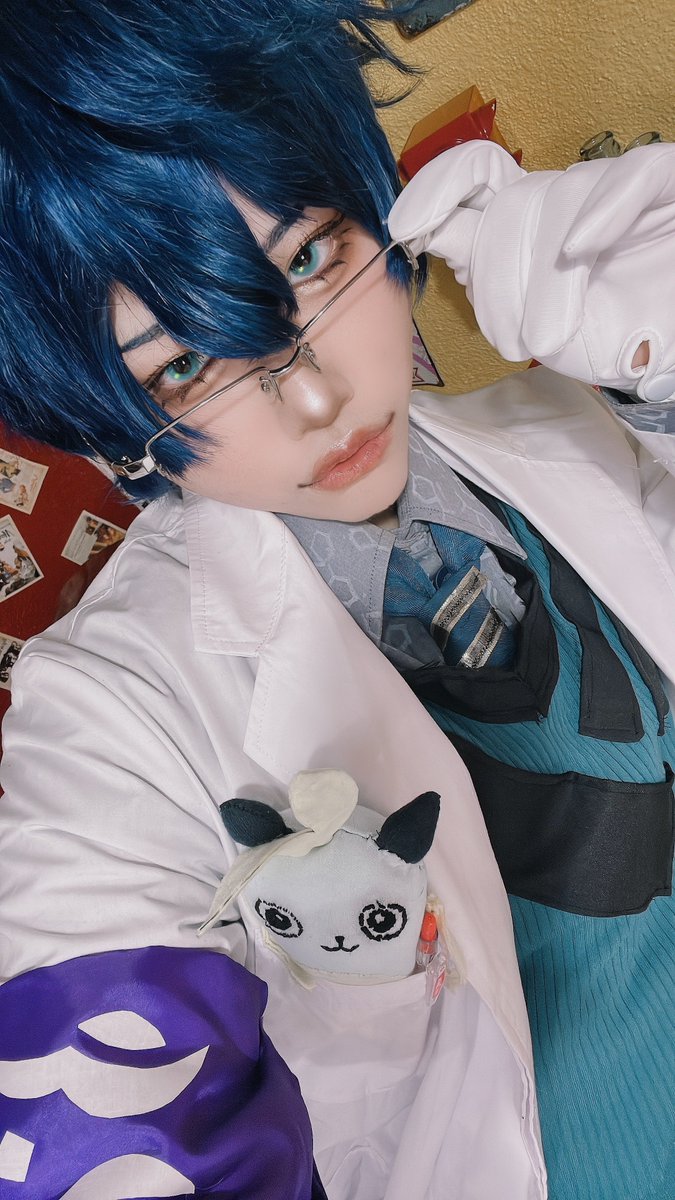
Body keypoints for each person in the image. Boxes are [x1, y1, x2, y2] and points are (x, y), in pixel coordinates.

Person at [0, 3, 672, 1198]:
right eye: (186, 365)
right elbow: (94, 1122)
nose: (316, 401)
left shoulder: (571, 428)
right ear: (108, 431)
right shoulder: (106, 720)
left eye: (310, 259)